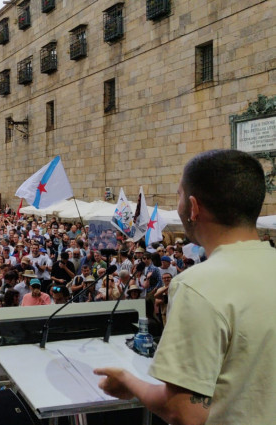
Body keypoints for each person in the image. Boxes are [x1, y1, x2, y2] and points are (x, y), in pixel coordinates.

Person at [95, 149, 276, 424]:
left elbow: (185, 412)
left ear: (193, 207)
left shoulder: (197, 286)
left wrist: (128, 382)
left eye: (179, 194)